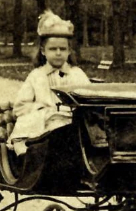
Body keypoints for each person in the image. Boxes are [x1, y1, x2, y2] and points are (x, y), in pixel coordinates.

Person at [9, 11, 91, 155]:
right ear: (43, 51)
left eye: (63, 49)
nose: (58, 53)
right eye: (53, 49)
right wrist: (42, 111)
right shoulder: (36, 76)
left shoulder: (77, 74)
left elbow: (90, 99)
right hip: (44, 127)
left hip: (72, 125)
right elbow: (20, 107)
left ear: (69, 51)